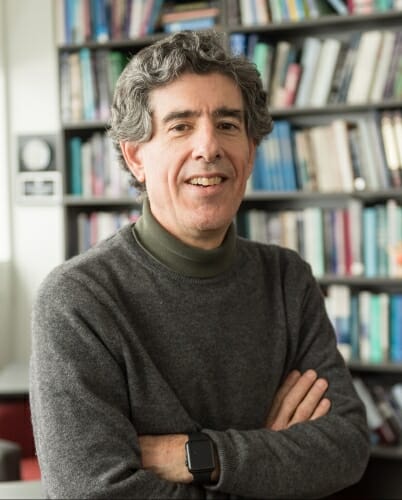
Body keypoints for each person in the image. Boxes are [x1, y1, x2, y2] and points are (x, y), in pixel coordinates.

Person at [30, 30, 370, 499]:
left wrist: (196, 455)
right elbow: (93, 493)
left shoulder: (287, 278)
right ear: (136, 157)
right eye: (180, 125)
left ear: (250, 153)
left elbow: (346, 448)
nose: (208, 147)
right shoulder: (78, 300)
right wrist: (270, 458)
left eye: (228, 124)